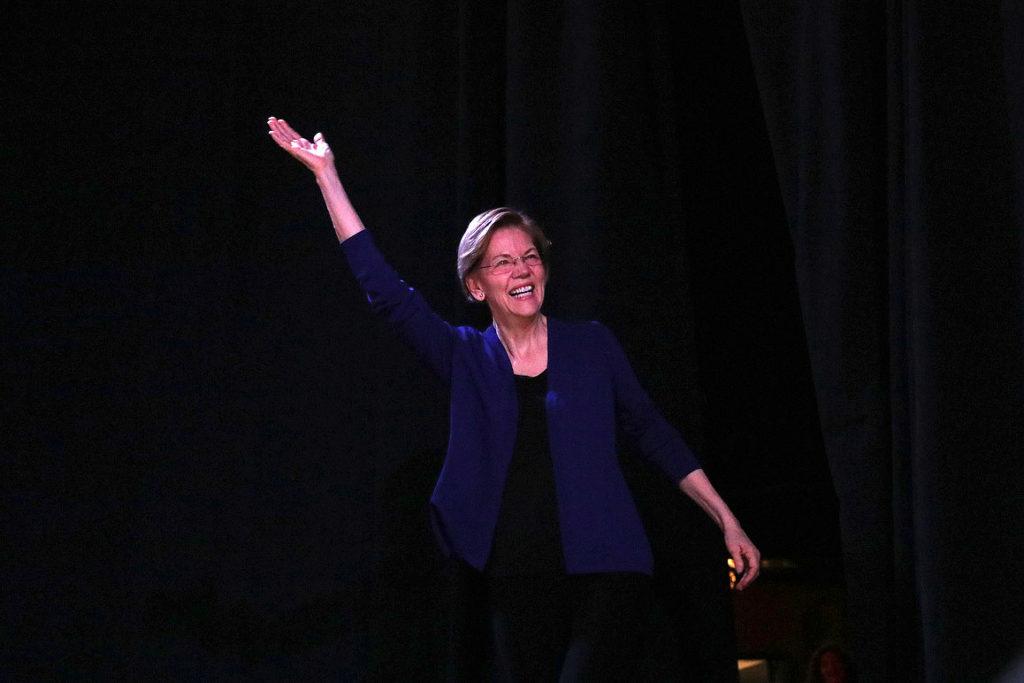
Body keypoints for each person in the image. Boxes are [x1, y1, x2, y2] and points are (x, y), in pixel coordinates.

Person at [267, 116, 761, 681]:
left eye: (530, 257)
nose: (522, 270)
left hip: (609, 569)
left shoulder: (591, 345)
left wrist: (726, 519)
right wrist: (327, 176)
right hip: (515, 575)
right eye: (503, 262)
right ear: (477, 286)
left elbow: (651, 430)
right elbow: (385, 292)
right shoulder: (466, 357)